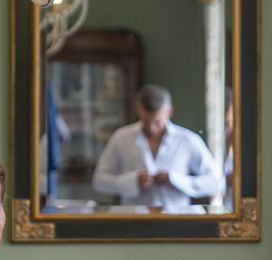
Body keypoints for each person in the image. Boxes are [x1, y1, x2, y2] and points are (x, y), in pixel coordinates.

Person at [92, 85, 224, 213]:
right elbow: (99, 181)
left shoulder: (188, 140)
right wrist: (132, 181)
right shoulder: (120, 137)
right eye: (145, 120)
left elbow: (216, 182)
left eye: (157, 122)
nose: (151, 128)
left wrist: (176, 180)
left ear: (169, 111)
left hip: (177, 223)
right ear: (138, 110)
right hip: (132, 221)